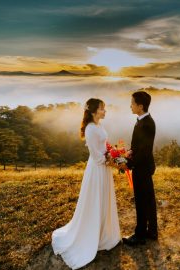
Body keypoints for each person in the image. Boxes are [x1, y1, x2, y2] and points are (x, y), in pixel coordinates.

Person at [51, 98, 121, 269]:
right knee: (95, 199)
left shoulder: (98, 125)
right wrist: (112, 161)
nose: (105, 111)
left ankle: (104, 233)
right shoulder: (90, 129)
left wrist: (114, 153)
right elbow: (96, 155)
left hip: (104, 168)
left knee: (104, 199)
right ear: (94, 111)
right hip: (97, 169)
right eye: (102, 109)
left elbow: (104, 146)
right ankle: (91, 235)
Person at [123, 91, 158, 246]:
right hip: (143, 165)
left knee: (141, 201)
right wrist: (131, 151)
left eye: (132, 103)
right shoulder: (141, 120)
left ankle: (140, 234)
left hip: (142, 167)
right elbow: (139, 146)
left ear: (140, 106)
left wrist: (128, 164)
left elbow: (144, 151)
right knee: (148, 199)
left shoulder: (147, 124)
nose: (130, 105)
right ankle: (152, 231)